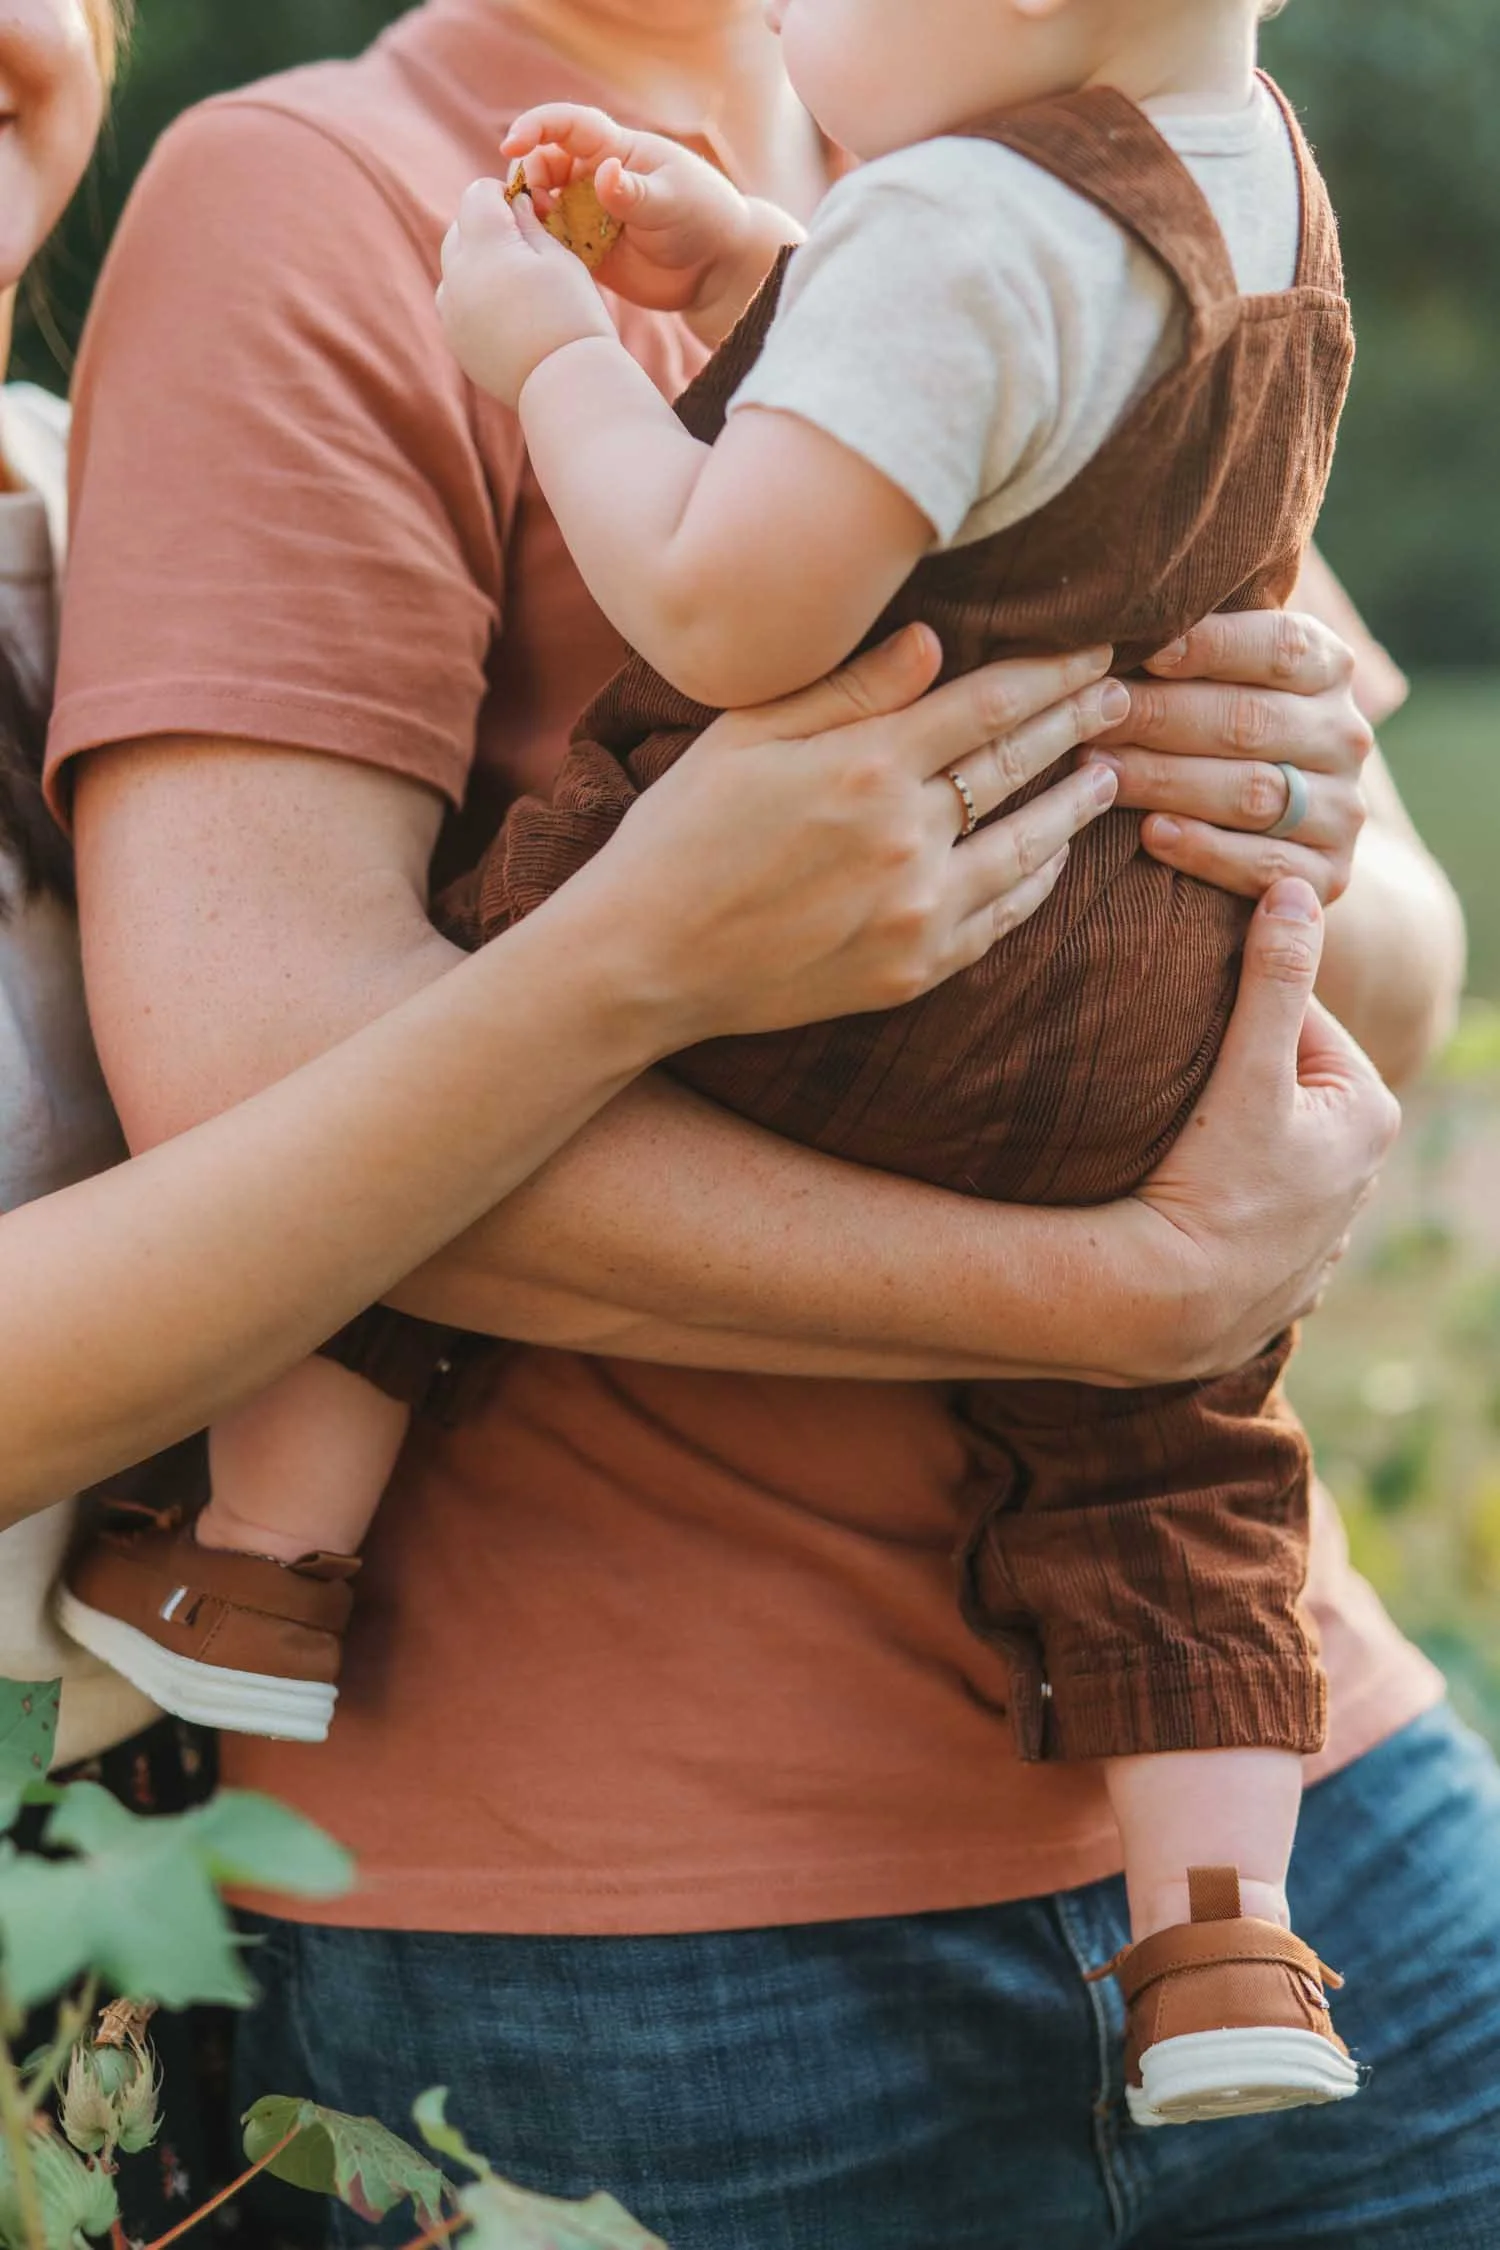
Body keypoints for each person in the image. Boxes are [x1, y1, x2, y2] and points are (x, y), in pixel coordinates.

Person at [29, 0, 1486, 2240]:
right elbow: (269, 1079)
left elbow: (1397, 942)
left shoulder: (1109, 157)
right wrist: (1117, 1294)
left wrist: (1280, 802)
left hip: (1311, 1799)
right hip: (654, 1930)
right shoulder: (311, 189)